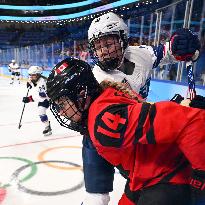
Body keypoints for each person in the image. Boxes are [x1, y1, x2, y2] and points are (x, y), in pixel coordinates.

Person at [46, 58, 205, 205]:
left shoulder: (104, 122)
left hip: (166, 179)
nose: (61, 111)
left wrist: (201, 176)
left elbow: (191, 120)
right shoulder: (106, 95)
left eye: (62, 103)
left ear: (82, 94)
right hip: (144, 176)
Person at [81, 12, 201, 204]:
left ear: (123, 40)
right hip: (114, 136)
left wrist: (180, 42)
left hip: (139, 124)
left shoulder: (139, 54)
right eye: (98, 46)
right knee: (97, 197)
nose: (103, 51)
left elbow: (168, 51)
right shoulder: (98, 79)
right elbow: (135, 116)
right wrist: (179, 106)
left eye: (109, 44)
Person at [22, 66, 52, 136]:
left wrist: (29, 99)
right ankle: (47, 127)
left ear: (38, 75)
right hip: (43, 98)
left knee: (60, 111)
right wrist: (30, 84)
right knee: (41, 111)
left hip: (49, 98)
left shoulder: (43, 82)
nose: (31, 77)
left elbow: (43, 96)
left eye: (33, 75)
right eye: (30, 75)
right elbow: (31, 81)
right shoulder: (34, 78)